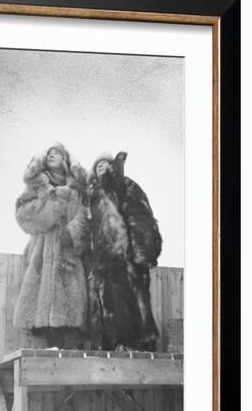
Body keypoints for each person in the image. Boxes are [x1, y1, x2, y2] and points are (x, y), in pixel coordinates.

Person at [13, 142, 90, 349]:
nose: (52, 155)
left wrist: (72, 233)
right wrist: (51, 211)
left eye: (57, 153)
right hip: (41, 259)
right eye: (49, 153)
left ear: (65, 160)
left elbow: (86, 218)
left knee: (74, 316)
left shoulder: (77, 190)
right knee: (46, 322)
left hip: (69, 258)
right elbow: (22, 215)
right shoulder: (36, 187)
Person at [87, 152, 162, 351]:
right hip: (101, 264)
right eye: (97, 164)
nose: (101, 165)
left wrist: (140, 254)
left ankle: (137, 351)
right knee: (107, 311)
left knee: (132, 309)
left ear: (112, 166)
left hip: (125, 259)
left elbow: (140, 215)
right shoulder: (92, 196)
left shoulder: (125, 185)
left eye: (105, 162)